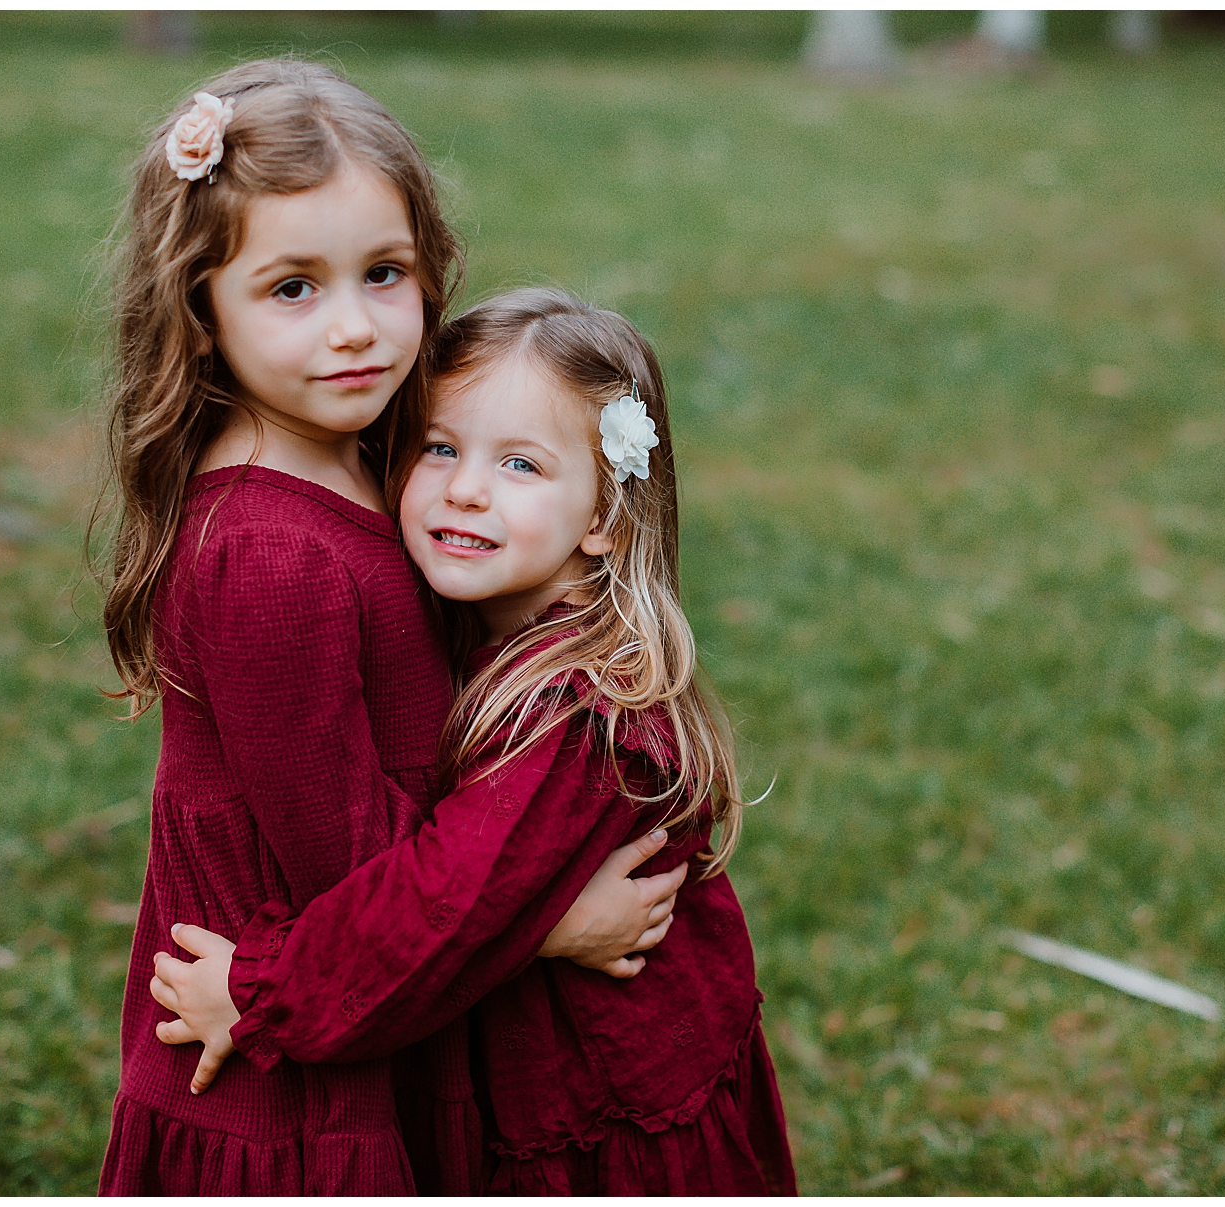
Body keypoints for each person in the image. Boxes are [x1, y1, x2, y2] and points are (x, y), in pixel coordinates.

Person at [93, 66, 682, 1196]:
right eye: (292, 289)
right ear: (200, 310)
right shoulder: (268, 555)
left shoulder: (367, 457)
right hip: (285, 1073)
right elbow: (357, 871)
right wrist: (550, 923)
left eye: (385, 274)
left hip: (372, 1006)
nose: (356, 329)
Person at [151, 288, 798, 1195]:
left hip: (605, 1126)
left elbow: (441, 903)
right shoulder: (477, 632)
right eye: (441, 447)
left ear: (607, 516)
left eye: (521, 465)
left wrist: (261, 993)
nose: (464, 487)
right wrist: (552, 928)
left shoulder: (578, 710)